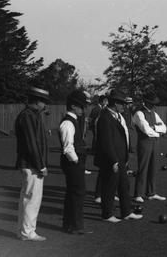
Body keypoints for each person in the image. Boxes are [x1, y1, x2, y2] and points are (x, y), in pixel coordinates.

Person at [95, 89, 142, 223]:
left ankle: (126, 212)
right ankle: (107, 214)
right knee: (109, 187)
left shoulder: (117, 116)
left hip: (121, 157)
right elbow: (106, 142)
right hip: (111, 159)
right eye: (122, 103)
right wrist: (114, 160)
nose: (125, 106)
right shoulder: (105, 117)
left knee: (124, 185)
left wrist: (125, 157)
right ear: (115, 103)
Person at [14, 87, 50, 241]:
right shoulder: (28, 116)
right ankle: (28, 232)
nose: (45, 105)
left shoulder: (31, 115)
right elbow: (31, 144)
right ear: (37, 101)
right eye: (43, 101)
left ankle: (24, 231)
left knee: (27, 198)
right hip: (31, 164)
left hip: (29, 163)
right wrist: (41, 165)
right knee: (32, 199)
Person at [59, 89, 93, 235]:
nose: (83, 109)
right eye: (81, 106)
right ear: (73, 106)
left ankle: (69, 224)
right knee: (78, 193)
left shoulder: (73, 121)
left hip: (75, 163)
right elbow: (68, 148)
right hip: (73, 163)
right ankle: (76, 226)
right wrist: (77, 161)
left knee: (73, 193)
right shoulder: (68, 123)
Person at [132, 91, 167, 203]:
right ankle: (138, 194)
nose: (154, 105)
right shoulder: (139, 113)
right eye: (152, 103)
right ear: (146, 102)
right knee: (143, 168)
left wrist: (156, 128)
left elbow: (165, 128)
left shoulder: (154, 113)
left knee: (153, 167)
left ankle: (151, 193)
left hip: (155, 143)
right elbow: (146, 130)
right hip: (144, 143)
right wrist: (158, 131)